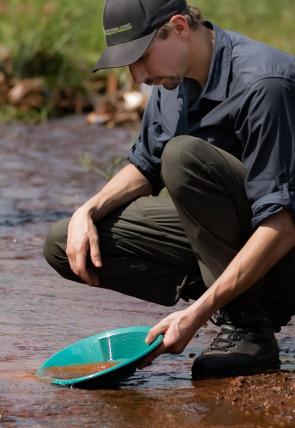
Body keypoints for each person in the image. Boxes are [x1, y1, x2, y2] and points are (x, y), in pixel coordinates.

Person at [43, 0, 295, 378]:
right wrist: (88, 210)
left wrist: (196, 313)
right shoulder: (170, 80)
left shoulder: (265, 84)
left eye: (142, 56)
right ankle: (241, 305)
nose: (138, 77)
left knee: (183, 156)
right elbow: (145, 165)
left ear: (179, 27)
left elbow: (283, 225)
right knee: (66, 243)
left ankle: (247, 327)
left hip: (284, 248)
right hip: (238, 238)